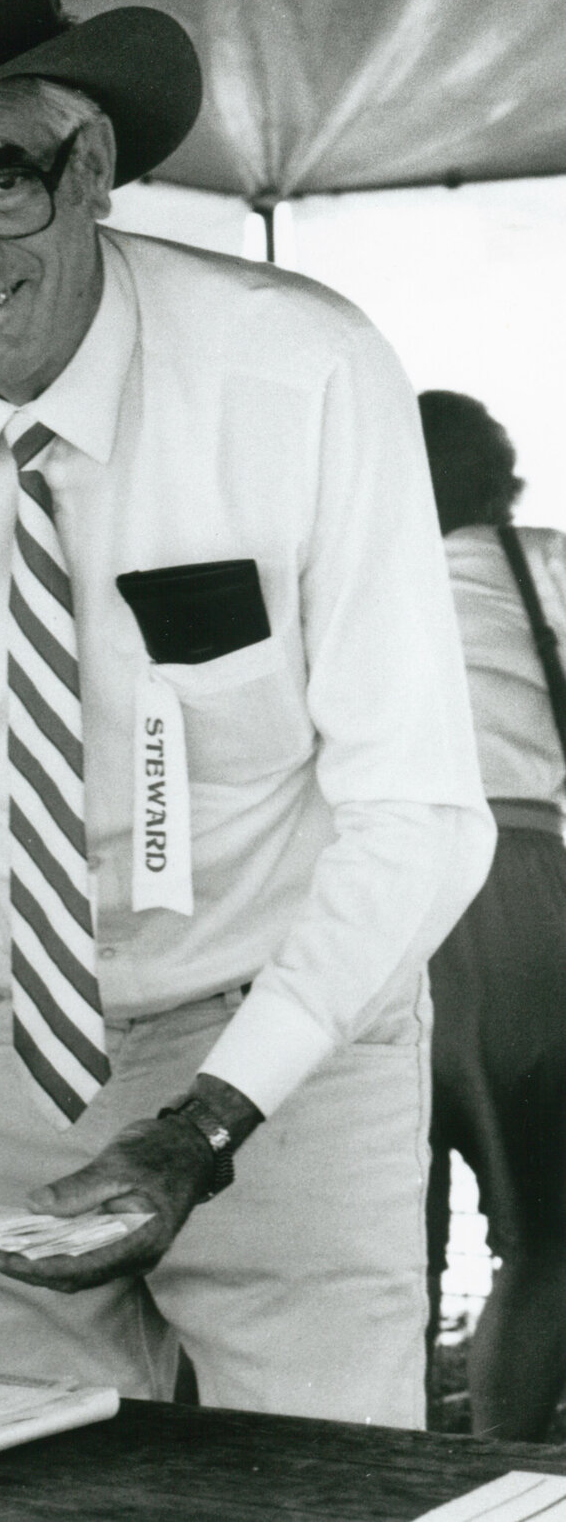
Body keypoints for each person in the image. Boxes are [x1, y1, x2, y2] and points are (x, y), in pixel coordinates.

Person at [0, 0, 493, 1425]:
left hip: (290, 1038)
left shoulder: (302, 376)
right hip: (8, 1044)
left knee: (310, 1482)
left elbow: (418, 811)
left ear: (88, 166)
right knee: (4, 1476)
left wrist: (208, 1121)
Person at [420, 390, 566, 1439]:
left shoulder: (339, 576)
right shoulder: (544, 566)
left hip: (362, 898)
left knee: (374, 1240)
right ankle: (501, 1468)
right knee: (551, 1233)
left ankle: (366, 1460)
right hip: (516, 896)